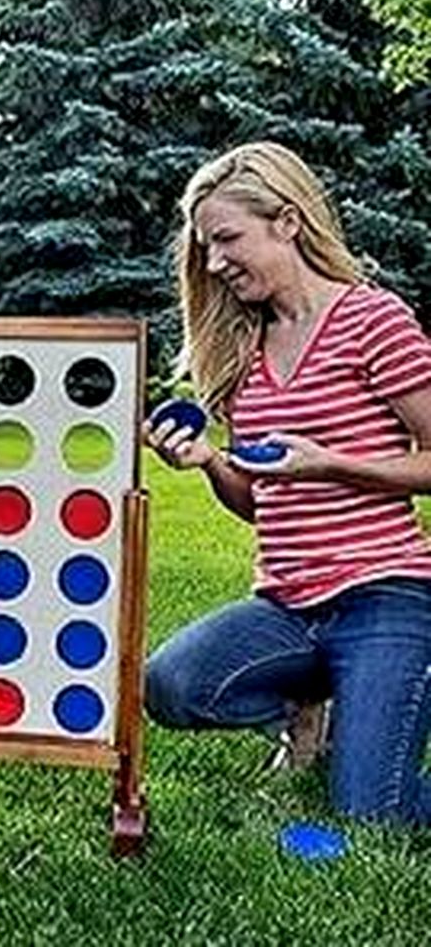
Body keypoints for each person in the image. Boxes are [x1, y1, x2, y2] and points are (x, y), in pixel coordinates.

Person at [143, 141, 431, 825]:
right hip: (287, 606)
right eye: (205, 248)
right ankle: (310, 707)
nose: (213, 263)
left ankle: (364, 703)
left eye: (226, 239)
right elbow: (259, 501)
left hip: (387, 599)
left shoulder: (372, 321)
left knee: (371, 814)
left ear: (287, 223)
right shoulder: (241, 351)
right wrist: (211, 462)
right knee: (171, 684)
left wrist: (328, 462)